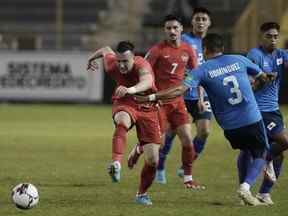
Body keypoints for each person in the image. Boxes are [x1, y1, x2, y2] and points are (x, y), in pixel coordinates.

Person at [135, 33, 275, 206]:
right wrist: (257, 86)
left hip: (229, 126)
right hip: (251, 117)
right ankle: (246, 187)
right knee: (261, 152)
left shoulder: (202, 70)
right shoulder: (240, 59)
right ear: (223, 48)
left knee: (245, 150)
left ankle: (243, 194)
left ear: (205, 49)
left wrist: (151, 97)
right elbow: (263, 78)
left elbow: (179, 90)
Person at [128, 14, 205, 189]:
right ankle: (139, 149)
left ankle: (188, 178)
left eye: (175, 28)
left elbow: (197, 75)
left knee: (187, 139)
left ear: (181, 30)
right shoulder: (157, 51)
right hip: (158, 103)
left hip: (178, 103)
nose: (172, 31)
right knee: (159, 144)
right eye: (168, 28)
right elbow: (142, 71)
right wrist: (142, 94)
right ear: (164, 30)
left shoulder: (187, 50)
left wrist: (200, 98)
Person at [87, 41, 162, 205]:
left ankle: (141, 194)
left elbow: (148, 82)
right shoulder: (112, 64)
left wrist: (131, 89)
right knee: (122, 122)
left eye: (125, 61)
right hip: (126, 102)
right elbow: (106, 49)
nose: (121, 65)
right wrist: (91, 59)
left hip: (148, 107)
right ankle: (116, 164)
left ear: (133, 58)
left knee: (154, 160)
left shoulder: (142, 64)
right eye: (119, 61)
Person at [155, 7, 213, 184]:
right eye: (197, 18)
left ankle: (185, 167)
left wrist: (203, 95)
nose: (200, 22)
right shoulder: (184, 40)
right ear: (191, 22)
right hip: (181, 94)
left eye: (204, 19)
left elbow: (205, 71)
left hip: (201, 94)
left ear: (209, 23)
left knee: (204, 131)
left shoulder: (212, 43)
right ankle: (160, 168)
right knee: (171, 134)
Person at [245, 22, 288, 205]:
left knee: (279, 154)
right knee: (284, 142)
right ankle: (262, 160)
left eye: (276, 36)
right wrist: (262, 79)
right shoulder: (255, 55)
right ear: (261, 37)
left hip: (274, 111)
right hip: (258, 111)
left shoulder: (280, 55)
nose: (273, 40)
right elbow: (249, 85)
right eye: (269, 36)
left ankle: (264, 193)